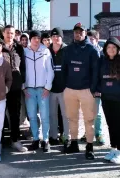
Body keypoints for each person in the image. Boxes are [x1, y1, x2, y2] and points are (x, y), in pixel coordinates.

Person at [62, 23, 100, 160]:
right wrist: (66, 85)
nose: (78, 34)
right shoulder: (68, 50)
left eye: (81, 32)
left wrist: (93, 89)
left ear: (85, 33)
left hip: (86, 91)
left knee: (89, 120)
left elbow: (96, 72)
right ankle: (74, 143)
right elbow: (64, 69)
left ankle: (89, 147)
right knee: (72, 118)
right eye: (76, 32)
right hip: (70, 89)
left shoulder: (92, 50)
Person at [24, 30, 54, 152]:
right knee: (32, 116)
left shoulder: (45, 51)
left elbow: (50, 70)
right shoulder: (25, 52)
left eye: (38, 38)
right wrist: (23, 87)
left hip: (43, 89)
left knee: (44, 116)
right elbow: (22, 70)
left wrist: (47, 87)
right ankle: (35, 139)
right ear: (30, 39)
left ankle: (45, 140)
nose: (36, 40)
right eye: (34, 38)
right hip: (29, 89)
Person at [2, 25, 27, 152]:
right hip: (0, 87)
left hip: (15, 87)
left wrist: (22, 81)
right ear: (3, 33)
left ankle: (15, 140)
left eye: (12, 33)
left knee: (15, 114)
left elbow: (23, 67)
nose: (9, 35)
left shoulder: (19, 48)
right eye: (7, 33)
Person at [80, 30, 105, 145]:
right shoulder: (84, 53)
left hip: (97, 89)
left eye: (92, 39)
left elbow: (102, 74)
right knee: (87, 112)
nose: (90, 41)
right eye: (88, 39)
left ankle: (98, 133)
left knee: (97, 113)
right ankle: (87, 133)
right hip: (85, 88)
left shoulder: (102, 54)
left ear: (97, 40)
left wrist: (98, 89)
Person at [98, 37, 120, 164]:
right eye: (109, 47)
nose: (111, 49)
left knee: (119, 125)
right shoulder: (103, 62)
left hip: (118, 99)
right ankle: (113, 149)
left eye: (114, 47)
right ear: (105, 49)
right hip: (106, 98)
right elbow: (99, 78)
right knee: (111, 124)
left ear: (117, 49)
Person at [48, 27, 70, 146]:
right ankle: (53, 136)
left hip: (64, 89)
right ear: (51, 38)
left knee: (65, 115)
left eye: (58, 36)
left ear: (62, 37)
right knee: (52, 114)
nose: (56, 38)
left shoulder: (67, 50)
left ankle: (66, 136)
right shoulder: (47, 51)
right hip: (51, 89)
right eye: (54, 36)